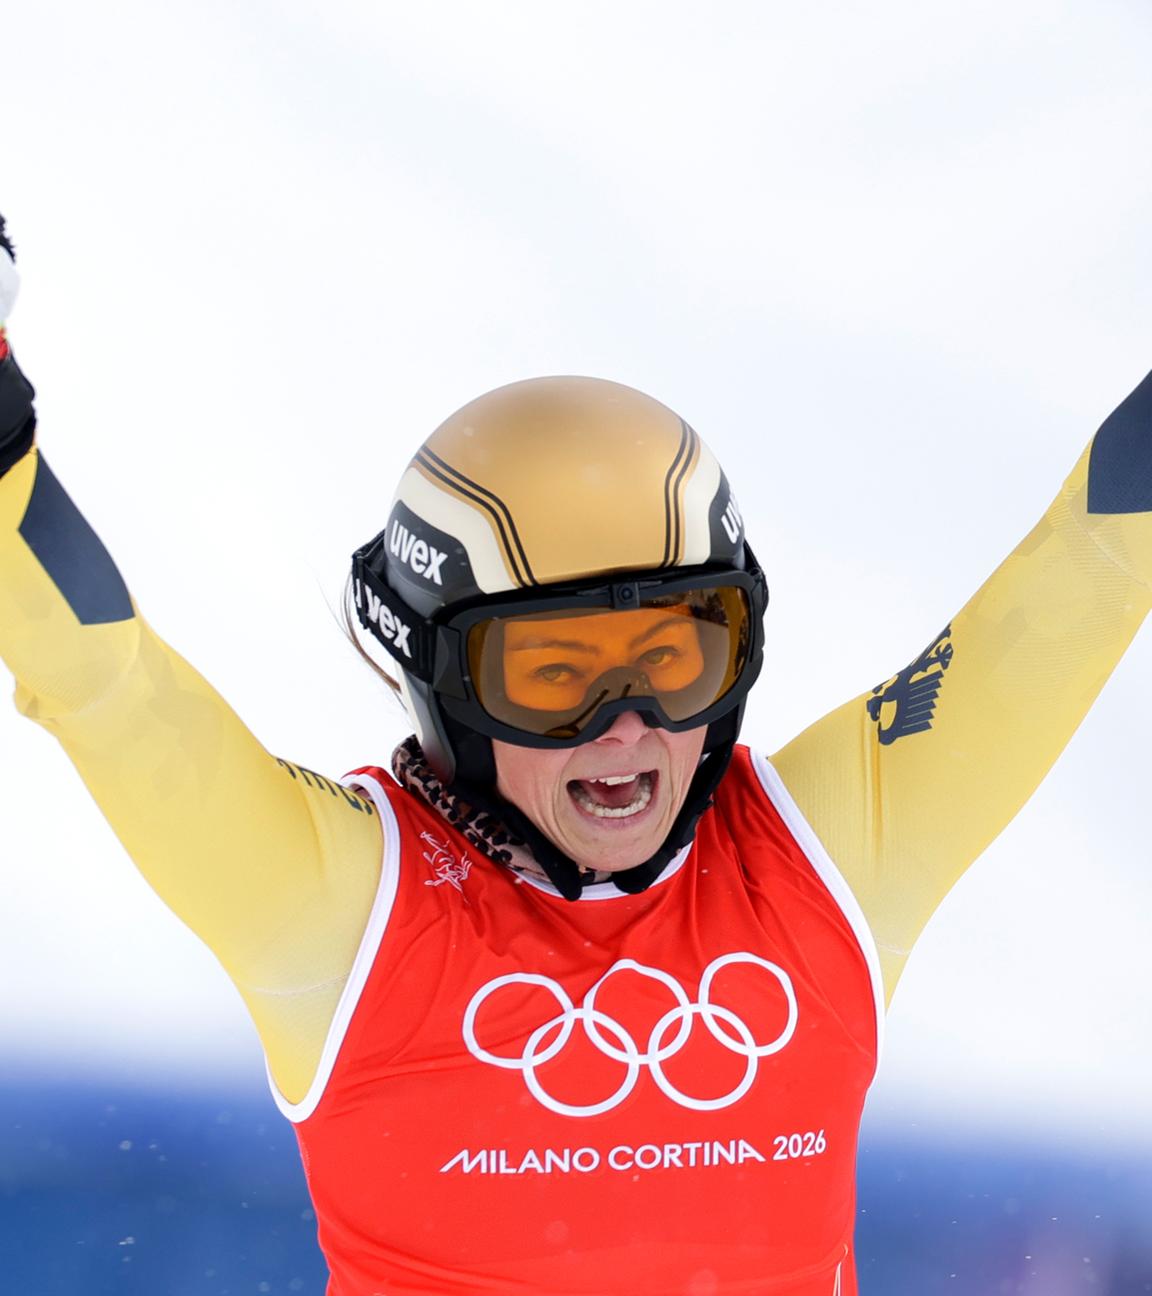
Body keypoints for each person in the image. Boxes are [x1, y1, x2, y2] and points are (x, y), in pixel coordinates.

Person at [0, 212, 1148, 1296]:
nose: (625, 723)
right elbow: (109, 685)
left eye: (676, 657)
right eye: (554, 673)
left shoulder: (829, 858)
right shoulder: (344, 908)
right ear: (446, 686)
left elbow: (1090, 567)